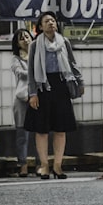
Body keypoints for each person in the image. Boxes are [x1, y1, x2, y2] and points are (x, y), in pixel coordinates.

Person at [25, 11, 80, 180]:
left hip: (61, 84)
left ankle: (58, 165)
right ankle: (44, 165)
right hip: (43, 86)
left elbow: (72, 63)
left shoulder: (64, 42)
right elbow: (31, 71)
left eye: (53, 20)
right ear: (40, 26)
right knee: (41, 130)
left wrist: (80, 82)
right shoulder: (35, 45)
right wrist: (32, 93)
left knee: (60, 128)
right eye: (46, 21)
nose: (51, 23)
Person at [11, 28, 33, 177]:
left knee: (40, 133)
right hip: (22, 98)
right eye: (21, 38)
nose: (25, 40)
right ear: (17, 43)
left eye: (27, 36)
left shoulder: (39, 54)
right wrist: (36, 71)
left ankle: (41, 163)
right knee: (22, 134)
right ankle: (23, 165)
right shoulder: (16, 58)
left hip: (38, 96)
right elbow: (20, 73)